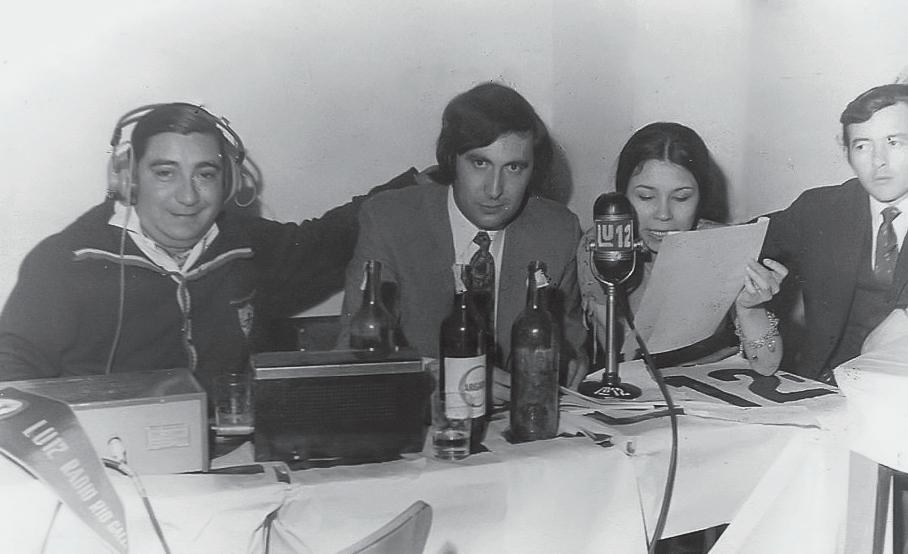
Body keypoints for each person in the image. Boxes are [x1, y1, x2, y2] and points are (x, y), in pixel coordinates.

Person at [0, 102, 415, 392]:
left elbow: (329, 238)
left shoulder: (247, 246)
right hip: (113, 469)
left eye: (205, 174)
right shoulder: (65, 263)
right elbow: (13, 371)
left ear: (227, 183)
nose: (188, 197)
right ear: (128, 178)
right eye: (165, 173)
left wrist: (416, 185)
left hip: (234, 459)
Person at [339, 82, 588, 387]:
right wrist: (453, 377)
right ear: (451, 159)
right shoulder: (388, 220)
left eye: (514, 168)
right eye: (480, 163)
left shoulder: (558, 231)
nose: (494, 190)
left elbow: (571, 344)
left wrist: (569, 362)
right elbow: (358, 356)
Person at [578, 122, 788, 374]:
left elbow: (767, 365)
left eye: (681, 198)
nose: (663, 214)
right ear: (622, 197)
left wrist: (749, 309)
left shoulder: (722, 245)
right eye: (645, 197)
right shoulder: (604, 244)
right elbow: (624, 358)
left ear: (701, 197)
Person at [763, 83, 908, 381]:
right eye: (862, 146)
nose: (878, 161)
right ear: (846, 153)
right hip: (822, 386)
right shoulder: (820, 209)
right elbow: (743, 241)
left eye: (894, 142)